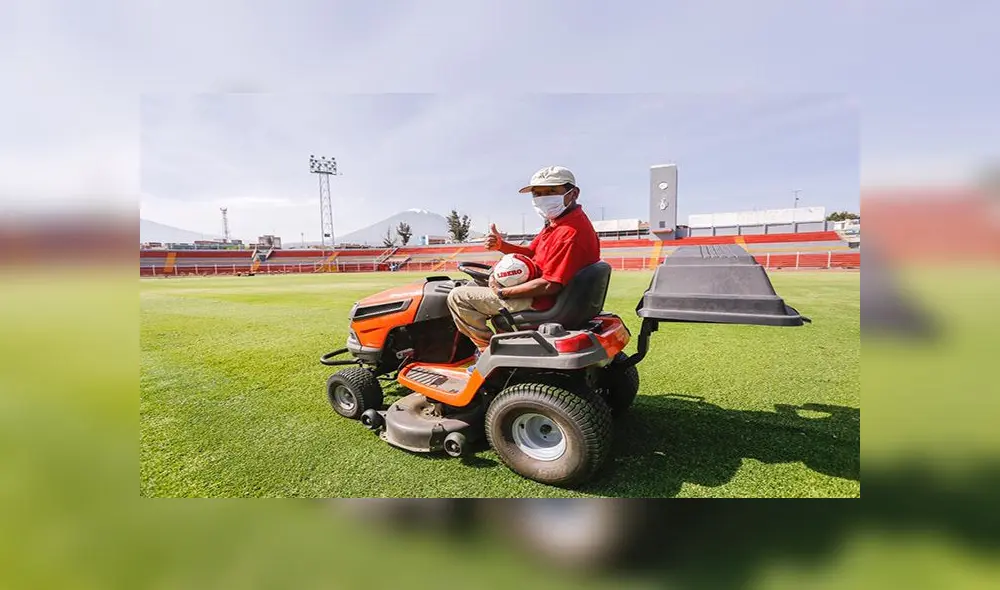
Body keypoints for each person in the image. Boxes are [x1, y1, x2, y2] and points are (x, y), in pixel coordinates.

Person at [446, 166, 601, 369]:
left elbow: (549, 285)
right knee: (472, 286)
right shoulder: (559, 224)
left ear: (573, 193)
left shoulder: (569, 233)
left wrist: (502, 292)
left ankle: (486, 352)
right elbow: (531, 252)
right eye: (538, 193)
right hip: (556, 297)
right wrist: (501, 246)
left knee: (458, 297)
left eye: (551, 191)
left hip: (542, 301)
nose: (543, 198)